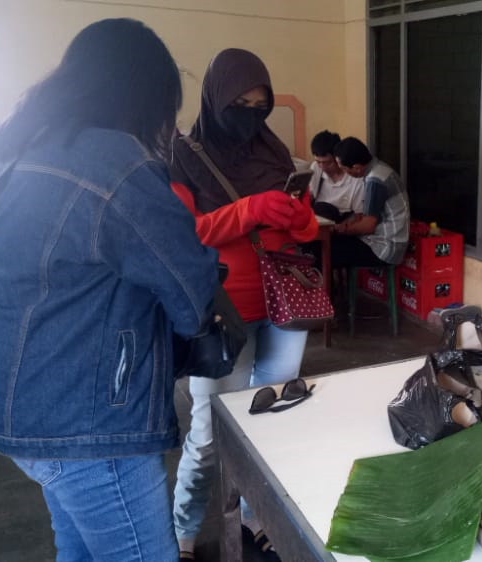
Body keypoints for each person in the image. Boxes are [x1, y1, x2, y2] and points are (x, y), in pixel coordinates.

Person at [0, 19, 218, 561]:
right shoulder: (119, 166)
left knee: (80, 545)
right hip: (87, 420)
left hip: (11, 402)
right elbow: (189, 291)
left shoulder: (17, 149)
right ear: (141, 94)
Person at [169, 48, 317, 560]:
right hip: (223, 314)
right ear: (215, 100)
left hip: (286, 303)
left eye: (261, 105)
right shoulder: (184, 157)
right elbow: (187, 232)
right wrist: (249, 209)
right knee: (210, 432)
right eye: (241, 104)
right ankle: (185, 532)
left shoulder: (274, 153)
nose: (251, 115)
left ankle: (255, 517)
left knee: (272, 418)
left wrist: (299, 219)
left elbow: (304, 227)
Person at [331, 137, 410, 267]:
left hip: (386, 248)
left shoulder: (375, 180)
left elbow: (368, 226)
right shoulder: (379, 168)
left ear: (356, 168)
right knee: (335, 243)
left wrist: (341, 230)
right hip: (385, 241)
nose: (344, 173)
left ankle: (325, 287)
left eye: (344, 169)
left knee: (328, 249)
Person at [307, 130, 366, 222]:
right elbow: (309, 196)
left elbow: (359, 217)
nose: (322, 167)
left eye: (328, 163)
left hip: (342, 224)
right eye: (318, 162)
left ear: (337, 158)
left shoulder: (355, 178)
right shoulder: (315, 168)